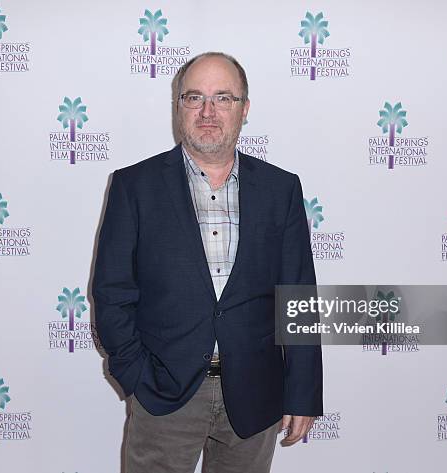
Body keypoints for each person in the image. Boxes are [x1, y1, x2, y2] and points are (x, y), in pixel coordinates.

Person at [92, 51, 322, 473]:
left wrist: (303, 393)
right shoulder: (133, 187)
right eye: (194, 97)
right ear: (178, 106)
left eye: (223, 98)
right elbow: (111, 293)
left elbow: (299, 299)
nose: (208, 111)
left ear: (244, 109)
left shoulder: (281, 189)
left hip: (255, 395)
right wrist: (136, 376)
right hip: (164, 395)